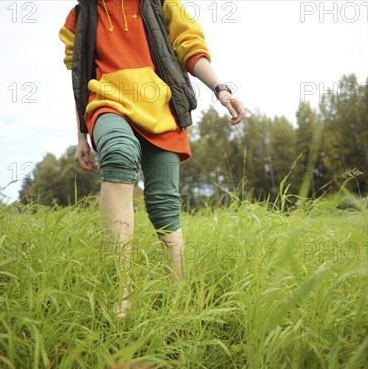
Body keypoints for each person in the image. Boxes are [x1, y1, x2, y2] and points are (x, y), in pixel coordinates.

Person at [59, 0, 244, 318]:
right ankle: (122, 294)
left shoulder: (162, 3)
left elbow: (190, 47)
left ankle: (179, 301)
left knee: (164, 203)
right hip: (107, 101)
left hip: (162, 106)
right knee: (118, 155)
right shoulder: (79, 16)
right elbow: (79, 78)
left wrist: (220, 89)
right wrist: (81, 136)